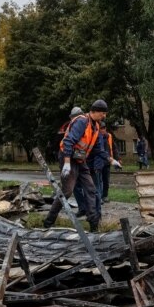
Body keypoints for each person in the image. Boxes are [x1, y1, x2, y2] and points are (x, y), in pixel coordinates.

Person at [44, 99, 121, 232]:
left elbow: (98, 149)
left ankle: (94, 225)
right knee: (67, 191)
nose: (104, 116)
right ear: (95, 111)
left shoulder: (96, 127)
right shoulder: (82, 122)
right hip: (68, 157)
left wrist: (111, 160)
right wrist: (66, 163)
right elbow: (68, 141)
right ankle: (48, 222)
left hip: (80, 159)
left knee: (91, 189)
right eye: (103, 113)